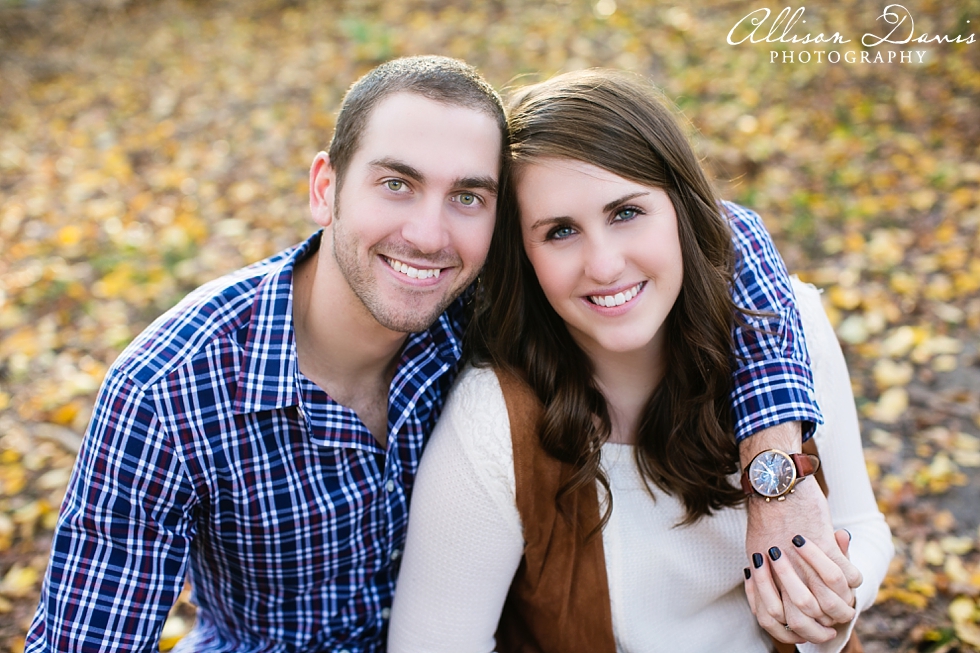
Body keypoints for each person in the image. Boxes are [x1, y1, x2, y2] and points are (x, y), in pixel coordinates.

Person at [27, 56, 830, 652]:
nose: (428, 234)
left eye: (468, 197)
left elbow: (721, 233)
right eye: (395, 183)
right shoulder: (170, 387)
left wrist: (775, 474)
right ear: (324, 187)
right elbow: (85, 638)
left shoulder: (478, 297)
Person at [387, 70, 893, 652]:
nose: (604, 265)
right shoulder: (493, 421)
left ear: (681, 208)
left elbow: (862, 527)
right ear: (522, 255)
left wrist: (833, 598)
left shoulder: (784, 328)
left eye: (626, 212)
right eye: (560, 232)